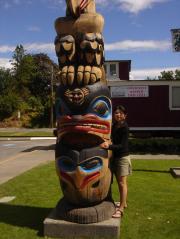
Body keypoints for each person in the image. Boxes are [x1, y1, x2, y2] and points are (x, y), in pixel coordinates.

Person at [101, 105, 132, 218]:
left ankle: (122, 208)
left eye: (120, 113)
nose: (118, 115)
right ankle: (123, 202)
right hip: (115, 157)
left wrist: (108, 146)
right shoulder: (114, 125)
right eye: (116, 113)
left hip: (123, 157)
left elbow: (122, 146)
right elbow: (111, 139)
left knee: (122, 183)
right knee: (116, 182)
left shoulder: (125, 127)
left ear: (125, 115)